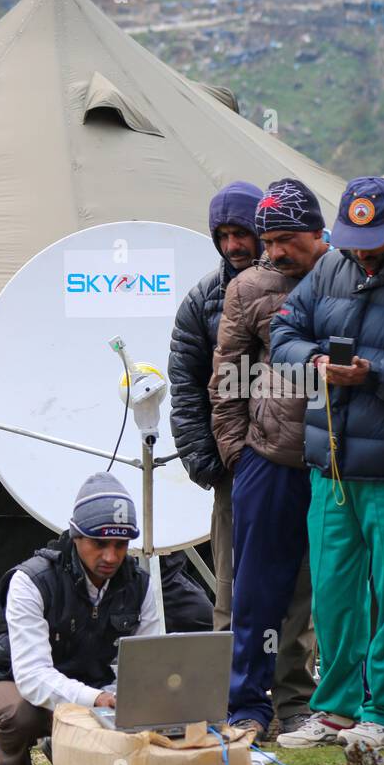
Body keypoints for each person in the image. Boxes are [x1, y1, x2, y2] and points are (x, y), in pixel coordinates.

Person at [269, 176, 384, 749]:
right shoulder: (330, 269)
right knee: (333, 591)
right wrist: (317, 360)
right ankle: (336, 711)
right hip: (331, 466)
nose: (360, 249)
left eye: (370, 238)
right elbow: (283, 333)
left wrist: (373, 373)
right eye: (352, 237)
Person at [209, 177, 329, 740]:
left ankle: (305, 705)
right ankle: (247, 708)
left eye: (286, 239)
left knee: (317, 589)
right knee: (255, 593)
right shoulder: (248, 289)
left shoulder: (349, 279)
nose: (275, 251)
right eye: (269, 239)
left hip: (335, 462)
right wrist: (238, 451)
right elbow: (225, 377)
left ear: (317, 233)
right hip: (269, 459)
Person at [0, 473, 162, 765]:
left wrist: (124, 698)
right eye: (99, 543)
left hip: (89, 686)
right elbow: (31, 677)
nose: (111, 556)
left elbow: (148, 665)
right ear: (76, 535)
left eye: (121, 544)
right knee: (22, 715)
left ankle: (63, 743)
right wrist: (97, 700)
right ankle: (10, 761)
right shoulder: (32, 581)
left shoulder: (141, 585)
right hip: (9, 680)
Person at [169, 182, 264, 635]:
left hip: (294, 459)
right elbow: (186, 386)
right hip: (233, 461)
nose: (233, 245)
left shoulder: (299, 288)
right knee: (230, 582)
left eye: (241, 232)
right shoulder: (200, 301)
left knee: (297, 580)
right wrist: (203, 459)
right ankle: (233, 689)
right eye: (223, 236)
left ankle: (291, 690)